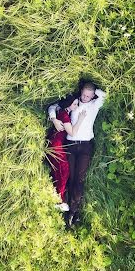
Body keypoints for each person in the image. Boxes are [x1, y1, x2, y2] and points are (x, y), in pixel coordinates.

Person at [47, 81, 107, 228]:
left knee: (79, 179)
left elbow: (104, 96)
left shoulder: (94, 105)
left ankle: (73, 211)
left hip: (85, 146)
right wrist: (54, 119)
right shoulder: (73, 102)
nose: (85, 98)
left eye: (89, 95)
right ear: (80, 92)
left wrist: (93, 91)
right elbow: (53, 107)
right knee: (70, 177)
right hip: (71, 144)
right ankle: (65, 204)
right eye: (84, 94)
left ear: (92, 95)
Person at [45, 99, 88, 212]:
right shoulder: (64, 114)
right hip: (56, 145)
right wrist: (80, 120)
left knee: (58, 171)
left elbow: (53, 107)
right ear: (68, 103)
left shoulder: (64, 111)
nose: (76, 106)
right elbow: (72, 133)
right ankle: (60, 200)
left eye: (77, 104)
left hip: (56, 144)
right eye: (74, 103)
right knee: (64, 170)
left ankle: (59, 198)